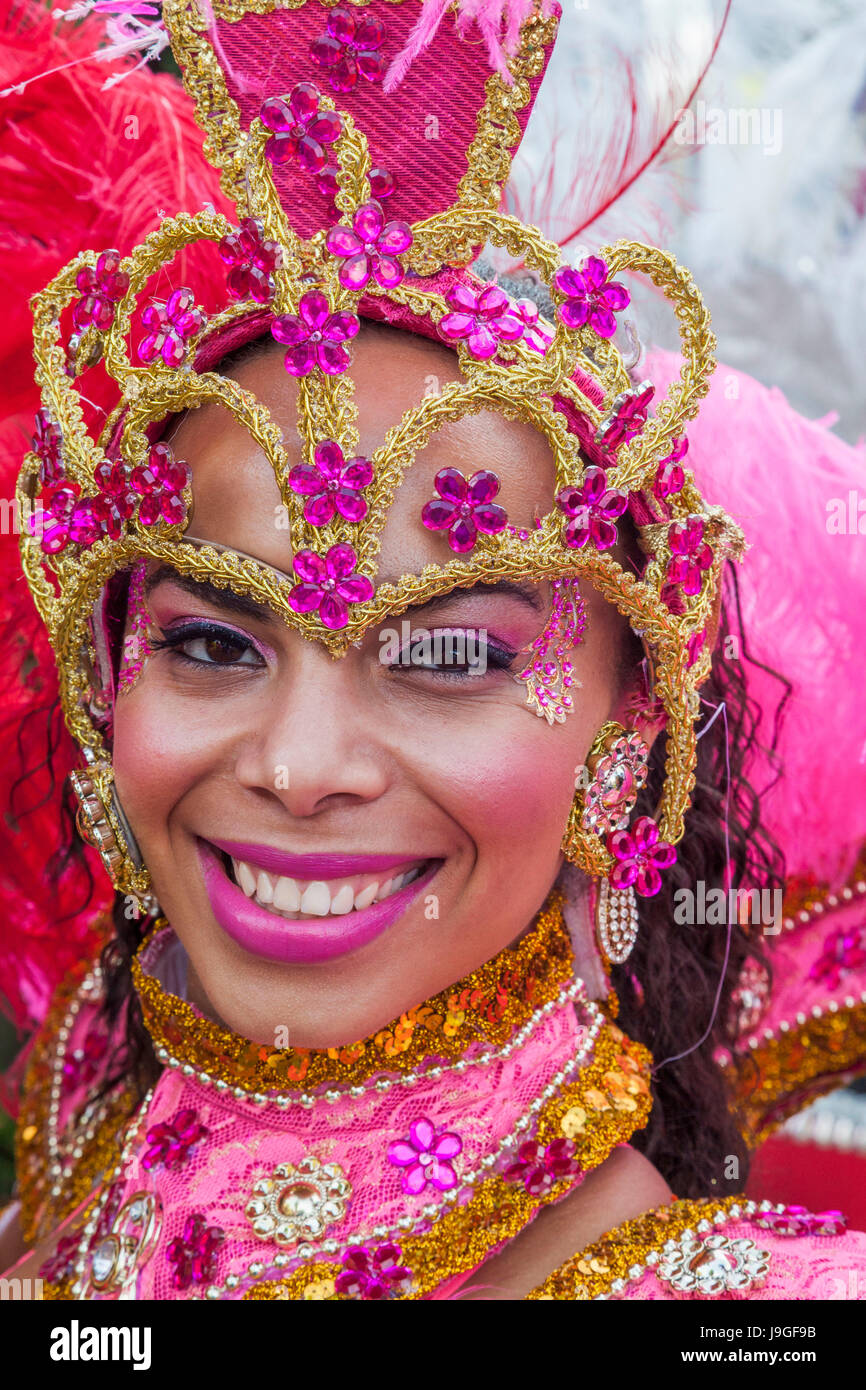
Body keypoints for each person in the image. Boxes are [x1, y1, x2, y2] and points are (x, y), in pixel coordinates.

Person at [1, 0, 865, 1301]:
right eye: (214, 644)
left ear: (624, 743)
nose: (297, 768)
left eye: (448, 658)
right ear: (107, 669)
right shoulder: (81, 1085)